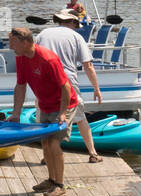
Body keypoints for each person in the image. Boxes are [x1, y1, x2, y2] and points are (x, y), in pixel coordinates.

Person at [4, 27, 78, 196]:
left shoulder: (47, 59)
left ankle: (60, 185)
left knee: (53, 143)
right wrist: (16, 113)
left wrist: (62, 113)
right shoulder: (21, 58)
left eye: (13, 43)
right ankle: (51, 180)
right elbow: (21, 86)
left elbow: (65, 87)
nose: (10, 47)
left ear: (25, 42)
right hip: (45, 105)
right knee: (45, 143)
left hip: (63, 104)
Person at [35, 10, 104, 162]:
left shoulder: (43, 34)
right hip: (67, 81)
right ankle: (93, 153)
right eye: (76, 24)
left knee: (44, 120)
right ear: (72, 22)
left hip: (44, 81)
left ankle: (46, 156)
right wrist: (96, 88)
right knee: (80, 117)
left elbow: (34, 57)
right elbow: (88, 65)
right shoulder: (76, 37)